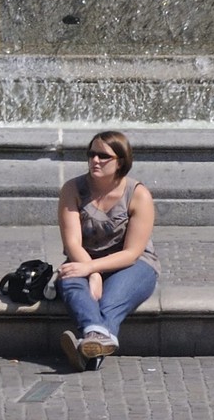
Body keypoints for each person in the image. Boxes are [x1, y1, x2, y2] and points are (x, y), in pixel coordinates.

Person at [56, 129, 157, 370]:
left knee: (110, 302)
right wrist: (91, 273)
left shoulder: (138, 195)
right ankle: (95, 345)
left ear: (121, 161)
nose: (95, 161)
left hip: (134, 265)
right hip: (84, 259)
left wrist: (92, 268)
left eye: (103, 156)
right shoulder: (72, 189)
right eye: (91, 154)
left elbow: (132, 252)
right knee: (68, 278)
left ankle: (90, 343)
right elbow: (72, 244)